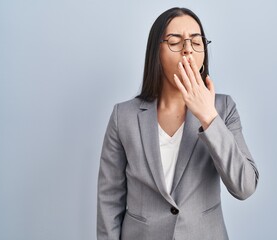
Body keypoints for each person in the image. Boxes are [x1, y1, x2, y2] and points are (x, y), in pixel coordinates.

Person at [97, 7, 259, 240]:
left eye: (196, 41)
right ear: (156, 52)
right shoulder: (123, 116)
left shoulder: (224, 109)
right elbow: (109, 199)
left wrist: (208, 117)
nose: (187, 50)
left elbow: (245, 186)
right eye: (175, 42)